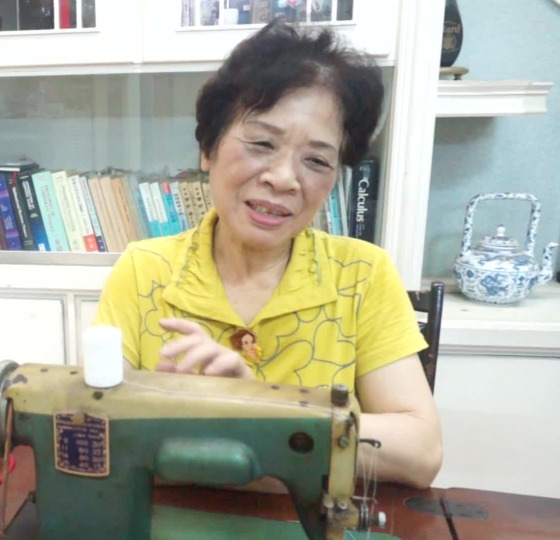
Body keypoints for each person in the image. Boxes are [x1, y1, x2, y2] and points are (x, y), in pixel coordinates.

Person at [92, 19, 442, 489]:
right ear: (208, 148)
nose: (284, 178)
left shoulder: (362, 275)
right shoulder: (143, 270)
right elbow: (97, 425)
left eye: (316, 160)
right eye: (261, 144)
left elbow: (421, 452)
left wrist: (258, 412)